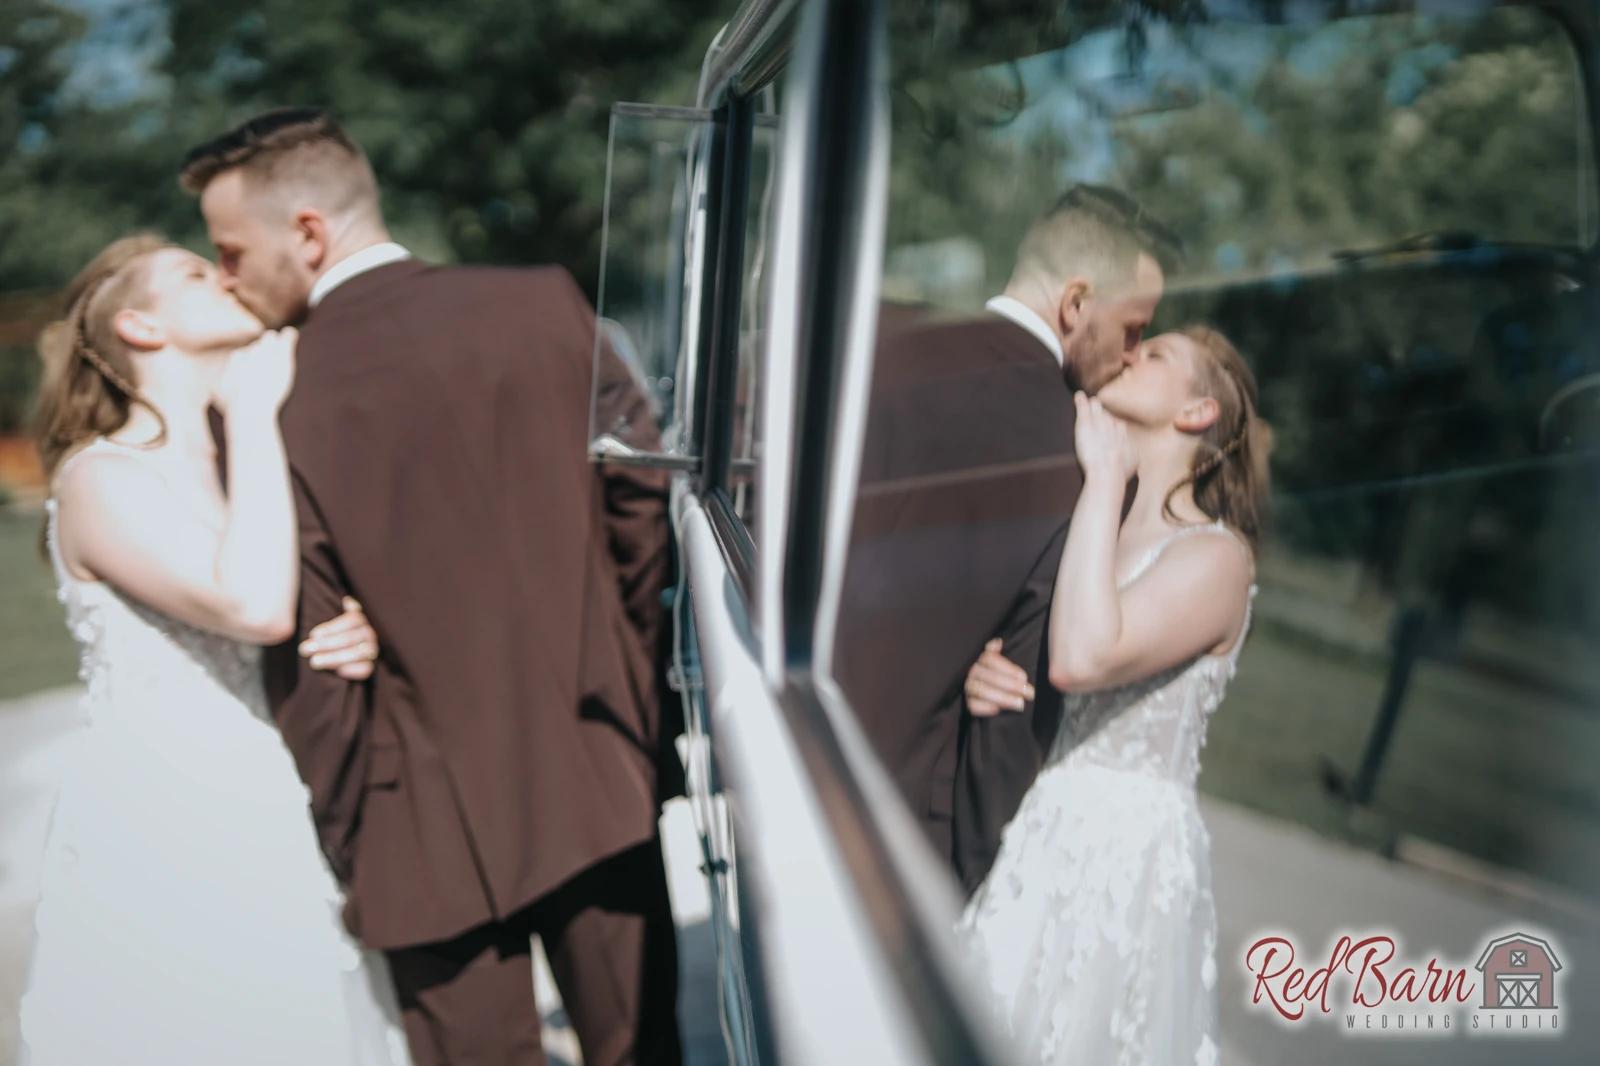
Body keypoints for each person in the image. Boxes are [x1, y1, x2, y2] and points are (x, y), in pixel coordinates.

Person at [179, 107, 681, 1066]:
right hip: (596, 769)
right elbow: (641, 510)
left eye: (231, 250)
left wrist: (348, 831)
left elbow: (313, 658)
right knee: (645, 1050)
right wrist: (624, 709)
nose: (227, 276)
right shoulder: (542, 303)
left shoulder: (267, 399)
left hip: (416, 827)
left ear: (311, 234)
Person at [21, 234, 408, 1064]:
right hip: (167, 818)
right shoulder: (102, 478)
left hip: (280, 793)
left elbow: (291, 603)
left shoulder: (246, 458)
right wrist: (259, 412)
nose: (226, 277)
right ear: (141, 327)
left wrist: (352, 628)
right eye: (196, 275)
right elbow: (250, 603)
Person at [834, 186, 1176, 894]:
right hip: (902, 834)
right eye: (1135, 327)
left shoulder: (873, 348)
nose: (1134, 353)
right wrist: (980, 875)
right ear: (1077, 305)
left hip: (773, 746)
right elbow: (1013, 713)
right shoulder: (1080, 462)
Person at [957, 327, 1269, 1065]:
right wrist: (985, 671)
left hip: (1123, 858)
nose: (1129, 354)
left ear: (1197, 413)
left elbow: (1085, 656)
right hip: (1041, 824)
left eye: (1154, 354)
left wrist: (1103, 479)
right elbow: (1044, 648)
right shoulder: (1090, 516)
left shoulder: (1217, 558)